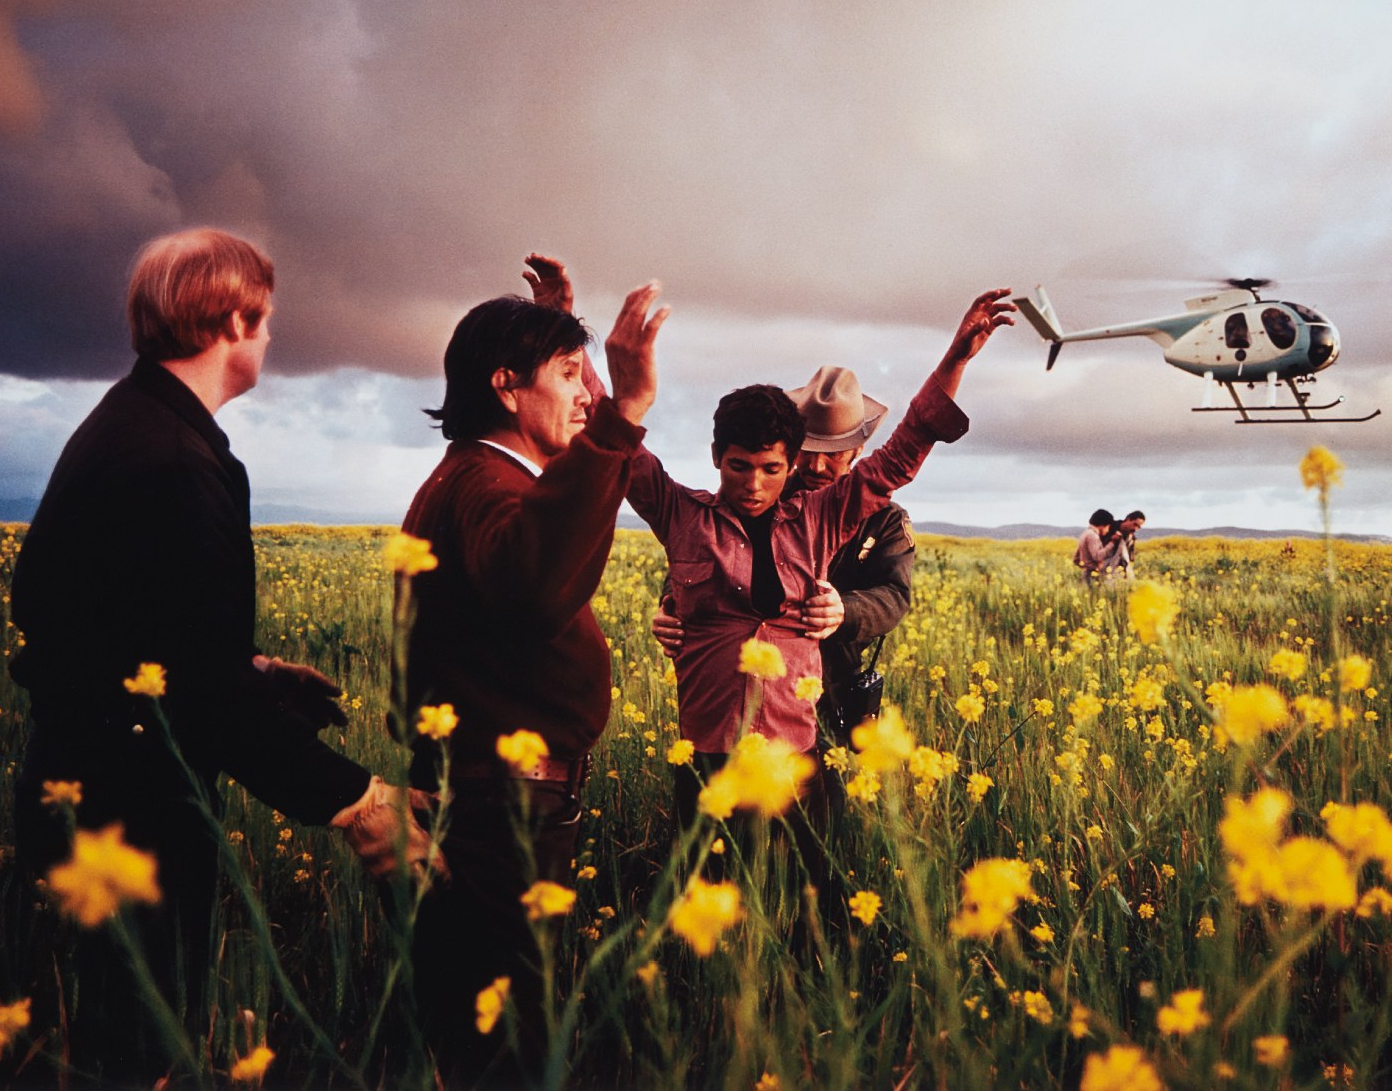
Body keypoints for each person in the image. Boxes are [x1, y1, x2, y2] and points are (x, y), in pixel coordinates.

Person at [10, 228, 431, 1083]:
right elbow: (195, 695)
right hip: (129, 807)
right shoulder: (173, 458)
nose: (271, 337)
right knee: (139, 1054)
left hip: (89, 782)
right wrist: (357, 800)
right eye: (265, 318)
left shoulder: (131, 425)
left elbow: (114, 628)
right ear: (233, 318)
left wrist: (257, 671)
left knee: (118, 1038)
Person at [396, 259, 665, 1085]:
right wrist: (623, 416)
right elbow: (531, 582)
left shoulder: (483, 477)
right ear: (507, 388)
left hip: (494, 799)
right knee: (504, 1040)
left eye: (588, 379)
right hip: (499, 809)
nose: (584, 395)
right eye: (566, 376)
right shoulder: (482, 483)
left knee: (493, 1021)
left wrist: (557, 328)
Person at [616, 291, 1014, 843]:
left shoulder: (846, 515)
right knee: (709, 887)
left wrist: (841, 611)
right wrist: (670, 607)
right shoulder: (697, 513)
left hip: (820, 704)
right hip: (711, 739)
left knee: (812, 880)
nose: (756, 482)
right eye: (743, 466)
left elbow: (903, 472)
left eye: (772, 467)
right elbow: (687, 550)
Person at [651, 364, 915, 820]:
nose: (816, 465)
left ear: (858, 449)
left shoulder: (884, 518)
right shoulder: (763, 487)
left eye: (833, 454)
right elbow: (702, 553)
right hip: (739, 686)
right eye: (809, 450)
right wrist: (669, 608)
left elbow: (895, 595)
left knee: (814, 817)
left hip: (829, 676)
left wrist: (844, 610)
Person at [1074, 508, 1115, 579]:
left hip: (1086, 573)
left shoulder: (1085, 533)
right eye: (1108, 527)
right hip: (1091, 574)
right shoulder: (1093, 536)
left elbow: (1076, 559)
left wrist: (1084, 566)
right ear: (1102, 525)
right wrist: (1112, 542)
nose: (1108, 530)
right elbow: (1097, 556)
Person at [1103, 510, 1146, 576]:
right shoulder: (1108, 528)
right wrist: (1111, 539)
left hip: (1117, 575)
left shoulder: (1131, 539)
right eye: (1135, 524)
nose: (1135, 529)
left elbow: (1130, 559)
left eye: (1138, 527)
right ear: (1128, 519)